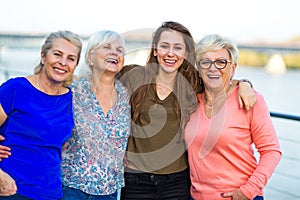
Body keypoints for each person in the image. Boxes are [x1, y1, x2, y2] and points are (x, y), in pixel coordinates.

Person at [118, 21, 256, 200]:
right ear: (154, 50)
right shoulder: (134, 76)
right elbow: (101, 80)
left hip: (177, 183)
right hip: (136, 181)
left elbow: (220, 80)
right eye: (164, 46)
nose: (170, 53)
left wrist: (245, 83)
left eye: (178, 48)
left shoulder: (193, 85)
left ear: (185, 53)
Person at [184, 34, 282, 200]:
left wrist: (248, 191)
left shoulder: (250, 100)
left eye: (221, 62)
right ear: (198, 69)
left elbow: (272, 151)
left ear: (233, 68)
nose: (212, 68)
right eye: (205, 62)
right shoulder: (191, 102)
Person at [0, 30, 82, 199]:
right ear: (43, 57)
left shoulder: (72, 99)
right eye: (57, 54)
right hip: (12, 189)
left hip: (51, 193)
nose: (63, 63)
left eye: (71, 59)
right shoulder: (16, 89)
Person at [61, 30, 131, 200]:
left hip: (109, 191)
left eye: (119, 50)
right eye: (107, 47)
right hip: (71, 189)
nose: (114, 52)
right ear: (91, 58)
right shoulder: (71, 93)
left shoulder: (128, 96)